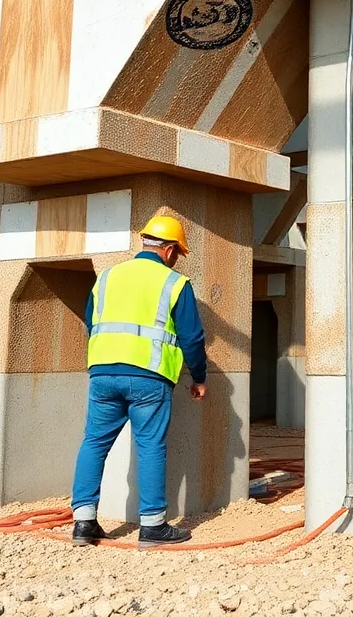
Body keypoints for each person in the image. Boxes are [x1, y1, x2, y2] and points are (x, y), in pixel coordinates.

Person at [69, 215, 208, 548]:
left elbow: (91, 321)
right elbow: (192, 337)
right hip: (149, 377)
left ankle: (84, 524)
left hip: (102, 373)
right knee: (150, 447)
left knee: (94, 443)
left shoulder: (107, 277)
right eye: (178, 253)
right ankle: (152, 526)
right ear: (170, 250)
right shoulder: (175, 283)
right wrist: (199, 377)